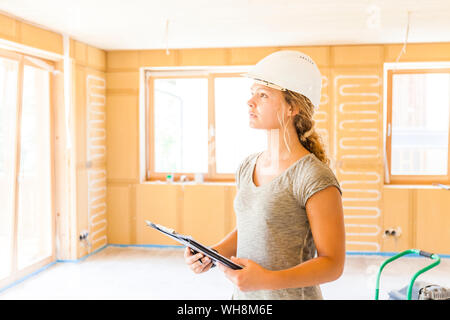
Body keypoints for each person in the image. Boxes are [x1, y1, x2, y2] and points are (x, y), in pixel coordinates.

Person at [184, 50, 345, 300]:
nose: (250, 102)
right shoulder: (247, 166)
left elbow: (333, 264)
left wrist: (267, 280)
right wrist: (212, 253)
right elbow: (253, 228)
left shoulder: (314, 176)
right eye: (252, 93)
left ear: (292, 107)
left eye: (263, 95)